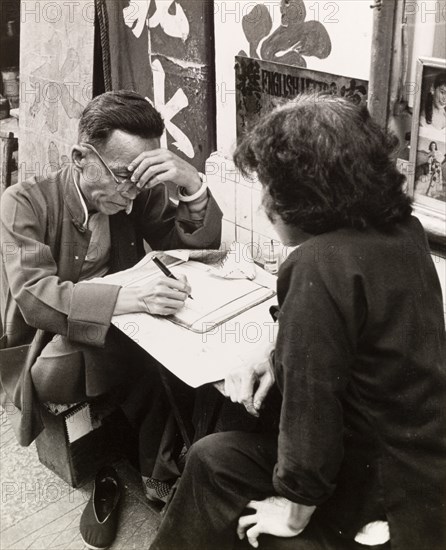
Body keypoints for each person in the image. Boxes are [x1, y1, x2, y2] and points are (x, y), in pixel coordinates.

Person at [150, 94, 446, 550]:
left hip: (376, 489)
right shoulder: (401, 229)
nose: (266, 202)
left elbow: (313, 416)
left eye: (272, 187)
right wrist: (275, 351)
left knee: (220, 455)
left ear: (309, 194)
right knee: (213, 456)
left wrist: (293, 510)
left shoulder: (317, 263)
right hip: (419, 465)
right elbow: (357, 335)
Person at [0, 90, 222, 486]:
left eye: (142, 177)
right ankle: (164, 459)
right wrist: (135, 299)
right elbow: (36, 299)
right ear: (80, 158)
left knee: (179, 349)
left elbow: (190, 247)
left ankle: (162, 468)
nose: (132, 191)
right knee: (163, 361)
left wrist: (191, 184)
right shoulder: (23, 202)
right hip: (46, 344)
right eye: (123, 176)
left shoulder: (135, 190)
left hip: (119, 326)